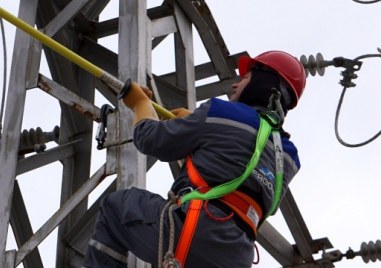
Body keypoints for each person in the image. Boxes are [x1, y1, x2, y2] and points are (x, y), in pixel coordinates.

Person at [83, 50, 306, 268]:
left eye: (245, 78)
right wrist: (201, 131)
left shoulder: (220, 112)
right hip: (237, 255)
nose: (235, 85)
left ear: (263, 84)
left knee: (116, 208)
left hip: (195, 233)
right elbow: (238, 177)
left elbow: (150, 140)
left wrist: (140, 104)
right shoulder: (288, 157)